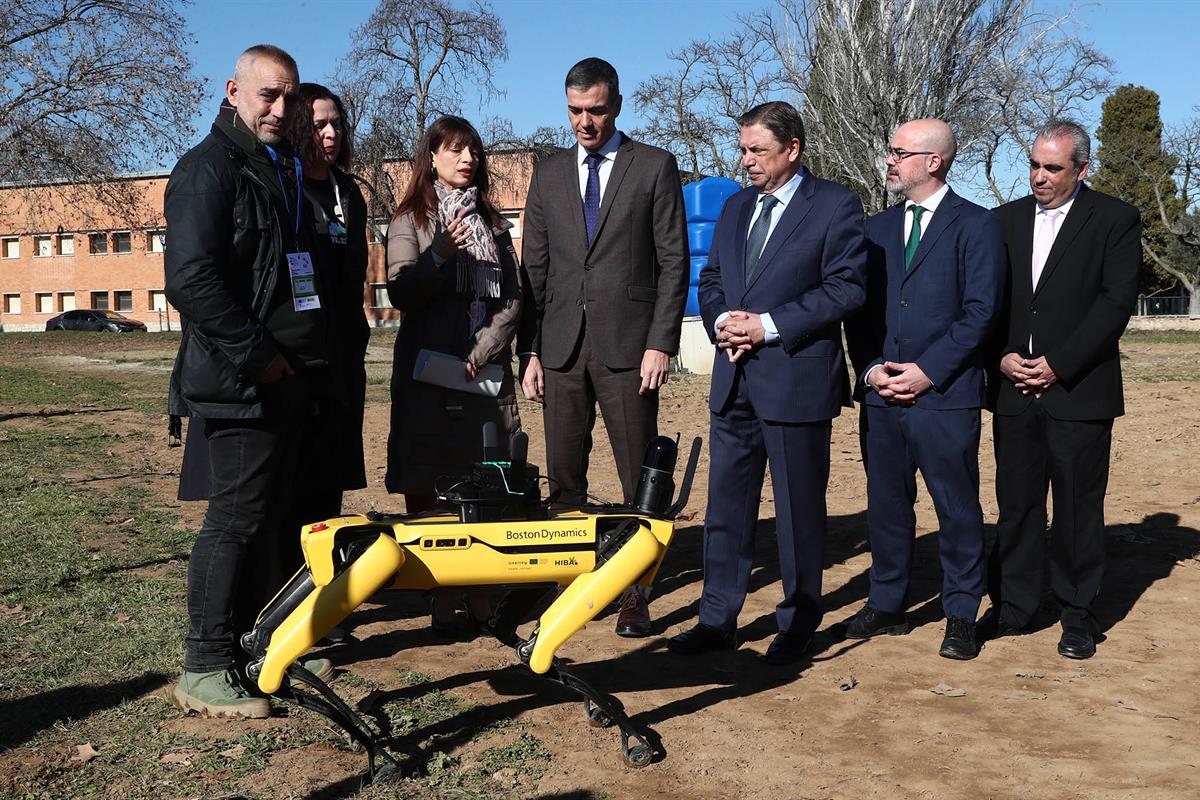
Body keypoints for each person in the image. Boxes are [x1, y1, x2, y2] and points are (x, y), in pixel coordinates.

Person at [166, 45, 337, 718]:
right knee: (233, 520)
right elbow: (192, 281)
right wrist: (259, 355)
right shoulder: (208, 169)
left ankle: (250, 642)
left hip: (284, 378)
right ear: (234, 90)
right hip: (241, 380)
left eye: (291, 97)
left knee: (267, 519)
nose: (281, 109)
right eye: (268, 95)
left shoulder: (279, 165)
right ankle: (204, 665)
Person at [668, 101, 867, 665]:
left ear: (793, 149)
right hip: (734, 381)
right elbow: (709, 279)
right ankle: (717, 620)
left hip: (796, 382)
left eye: (758, 149)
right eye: (744, 148)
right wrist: (721, 322)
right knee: (725, 509)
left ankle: (799, 623)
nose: (747, 159)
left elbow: (847, 288)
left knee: (799, 511)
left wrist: (768, 327)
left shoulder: (834, 205)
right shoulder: (734, 207)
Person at [517, 57, 689, 638]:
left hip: (629, 350)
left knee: (638, 474)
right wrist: (531, 352)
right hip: (561, 347)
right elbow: (533, 270)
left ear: (616, 105)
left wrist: (661, 342)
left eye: (595, 110)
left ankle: (636, 590)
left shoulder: (655, 166)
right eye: (574, 111)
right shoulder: (548, 173)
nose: (584, 122)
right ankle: (572, 584)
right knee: (565, 475)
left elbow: (673, 263)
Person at [843, 119, 1005, 660]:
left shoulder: (977, 225)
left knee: (956, 507)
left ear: (933, 161)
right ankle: (887, 602)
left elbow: (980, 311)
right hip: (881, 396)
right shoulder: (875, 229)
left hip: (945, 395)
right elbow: (858, 311)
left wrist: (927, 370)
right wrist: (869, 368)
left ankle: (961, 611)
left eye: (898, 152)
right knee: (887, 504)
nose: (889, 160)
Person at [985, 119, 1141, 659]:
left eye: (1053, 167)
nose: (1040, 176)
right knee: (1018, 505)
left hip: (1079, 390)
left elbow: (1114, 304)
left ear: (1082, 169)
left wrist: (1058, 365)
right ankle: (1016, 606)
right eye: (1034, 164)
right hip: (1012, 389)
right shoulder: (1001, 221)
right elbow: (990, 302)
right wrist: (999, 357)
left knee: (1077, 507)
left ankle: (1078, 614)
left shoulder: (1116, 219)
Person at [384, 115, 523, 633]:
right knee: (430, 483)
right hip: (428, 380)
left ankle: (483, 596)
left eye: (474, 151)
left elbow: (513, 297)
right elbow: (402, 293)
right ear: (433, 158)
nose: (469, 159)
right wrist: (440, 252)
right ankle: (441, 596)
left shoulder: (494, 223)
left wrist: (487, 346)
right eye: (456, 150)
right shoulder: (409, 220)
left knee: (487, 484)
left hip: (482, 376)